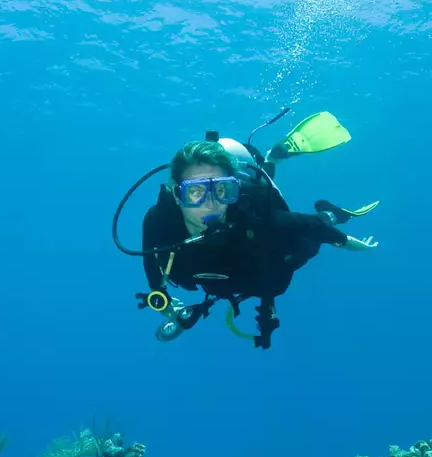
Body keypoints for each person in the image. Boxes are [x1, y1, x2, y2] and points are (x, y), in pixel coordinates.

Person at [138, 115, 377, 349]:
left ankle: (322, 204)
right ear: (177, 197)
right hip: (232, 277)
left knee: (301, 247)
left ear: (234, 191)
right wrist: (166, 304)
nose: (209, 204)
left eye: (222, 189)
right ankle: (268, 161)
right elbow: (153, 270)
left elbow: (313, 227)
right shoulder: (159, 224)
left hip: (267, 255)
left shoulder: (260, 220)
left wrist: (354, 244)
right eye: (195, 192)